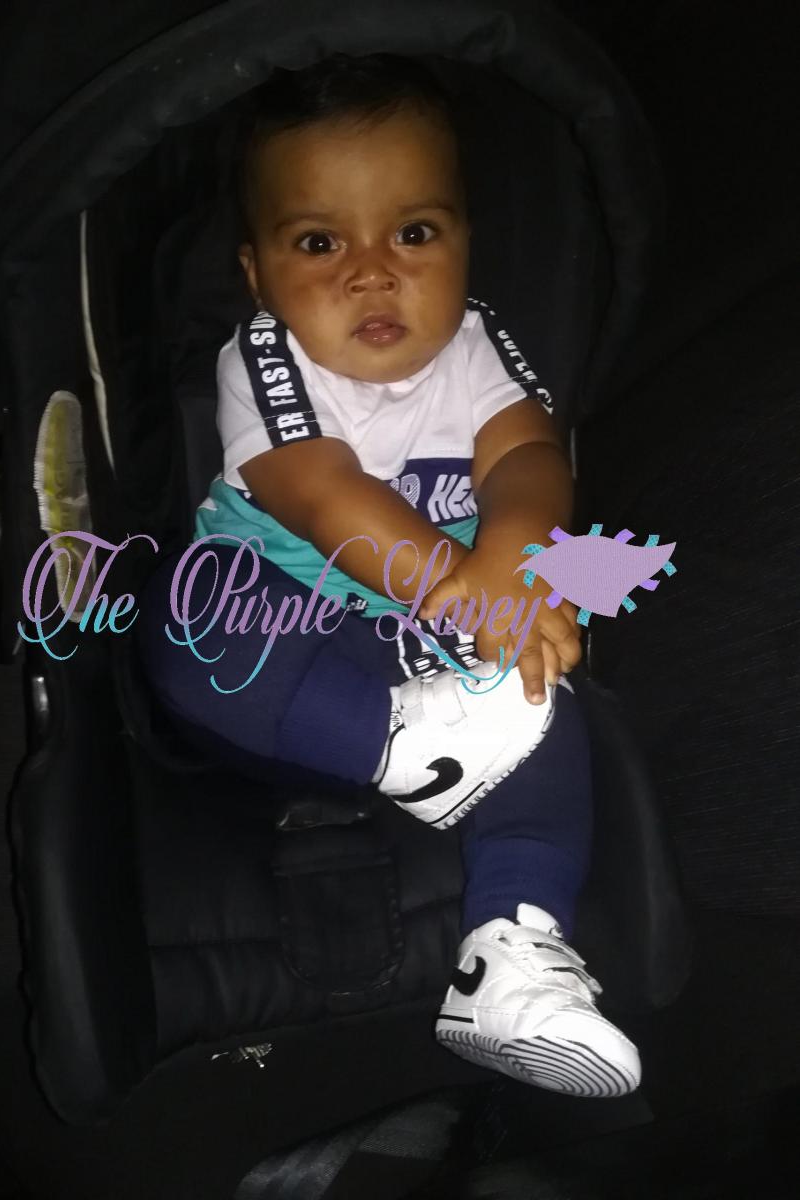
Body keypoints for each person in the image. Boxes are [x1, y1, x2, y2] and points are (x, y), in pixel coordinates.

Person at [138, 53, 641, 1097]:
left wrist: (517, 563)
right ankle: (414, 745)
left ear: (464, 242)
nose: (371, 274)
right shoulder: (265, 359)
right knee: (189, 623)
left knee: (547, 699)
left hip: (434, 648)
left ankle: (512, 956)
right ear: (257, 275)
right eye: (320, 242)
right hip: (291, 645)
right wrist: (460, 584)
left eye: (413, 233)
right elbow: (325, 495)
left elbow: (527, 456)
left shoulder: (476, 345)